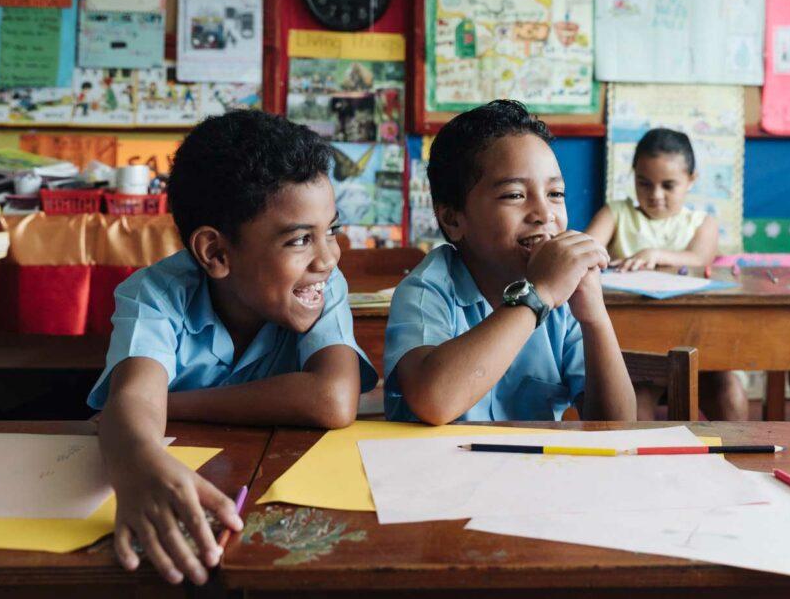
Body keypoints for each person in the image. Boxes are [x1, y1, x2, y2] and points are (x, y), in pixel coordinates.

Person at [90, 111, 377, 585]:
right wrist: (137, 461)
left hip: (282, 506)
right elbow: (135, 401)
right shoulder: (155, 295)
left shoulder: (320, 287)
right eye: (301, 239)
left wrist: (172, 404)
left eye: (332, 230)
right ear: (216, 254)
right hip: (187, 509)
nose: (328, 258)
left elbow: (333, 399)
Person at [384, 100, 636, 424]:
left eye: (555, 194)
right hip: (441, 471)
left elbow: (618, 426)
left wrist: (595, 319)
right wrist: (538, 295)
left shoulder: (566, 302)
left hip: (536, 471)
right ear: (453, 219)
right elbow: (434, 401)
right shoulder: (425, 291)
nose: (545, 214)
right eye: (515, 195)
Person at [586, 128, 746, 421]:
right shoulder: (616, 213)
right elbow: (586, 249)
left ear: (691, 180)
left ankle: (735, 462)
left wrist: (654, 255)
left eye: (668, 185)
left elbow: (700, 257)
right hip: (632, 348)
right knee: (635, 406)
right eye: (644, 183)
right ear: (632, 175)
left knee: (730, 395)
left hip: (697, 344)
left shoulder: (702, 223)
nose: (655, 195)